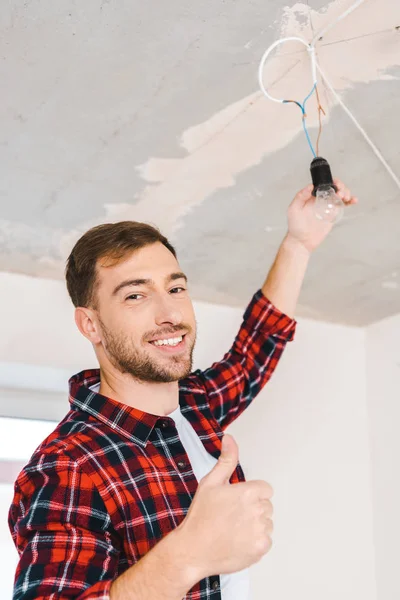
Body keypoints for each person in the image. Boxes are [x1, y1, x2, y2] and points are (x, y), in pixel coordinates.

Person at [9, 181, 357, 600]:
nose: (169, 313)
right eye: (135, 295)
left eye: (175, 288)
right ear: (91, 325)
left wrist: (299, 244)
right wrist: (189, 553)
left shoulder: (194, 404)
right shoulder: (66, 466)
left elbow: (254, 351)